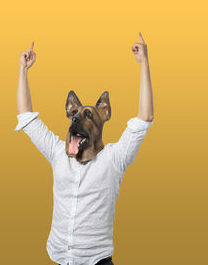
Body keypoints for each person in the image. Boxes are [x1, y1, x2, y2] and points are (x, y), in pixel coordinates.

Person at [15, 32, 154, 265]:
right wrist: (23, 69)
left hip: (97, 261)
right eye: (74, 116)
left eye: (87, 116)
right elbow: (26, 117)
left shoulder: (114, 159)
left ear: (104, 115)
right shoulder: (58, 153)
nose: (76, 120)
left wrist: (144, 64)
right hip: (59, 258)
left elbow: (145, 117)